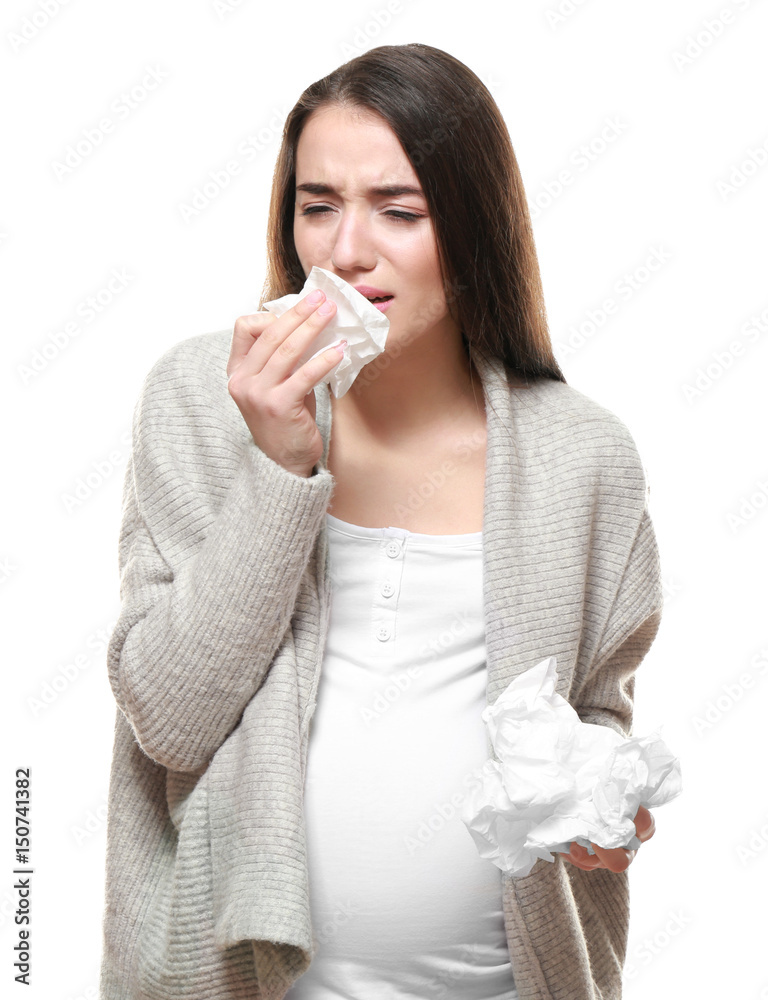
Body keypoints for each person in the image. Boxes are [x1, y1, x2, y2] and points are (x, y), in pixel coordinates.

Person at [99, 43, 662, 1000]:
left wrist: (607, 802)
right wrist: (281, 467)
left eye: (399, 212)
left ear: (474, 229)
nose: (346, 250)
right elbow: (169, 718)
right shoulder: (200, 400)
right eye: (317, 205)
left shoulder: (584, 457)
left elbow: (594, 720)